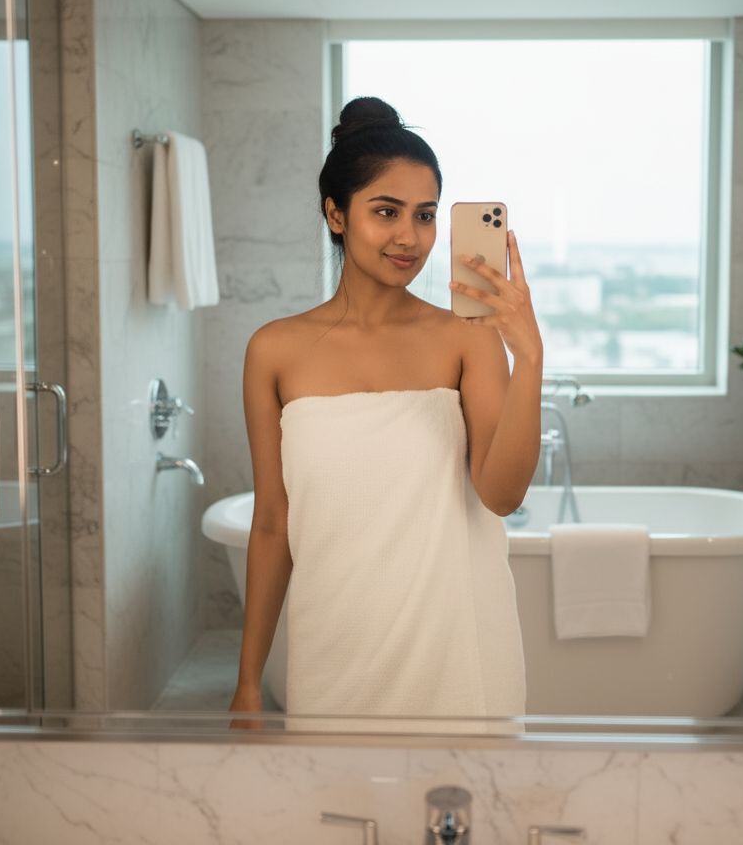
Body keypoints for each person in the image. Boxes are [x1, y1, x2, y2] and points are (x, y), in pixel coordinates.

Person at [229, 96, 543, 721]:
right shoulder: (274, 350)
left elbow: (503, 495)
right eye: (386, 211)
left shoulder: (467, 336)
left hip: (459, 649)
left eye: (425, 215)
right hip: (334, 647)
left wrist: (528, 357)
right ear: (335, 214)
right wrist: (247, 684)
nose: (410, 237)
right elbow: (272, 525)